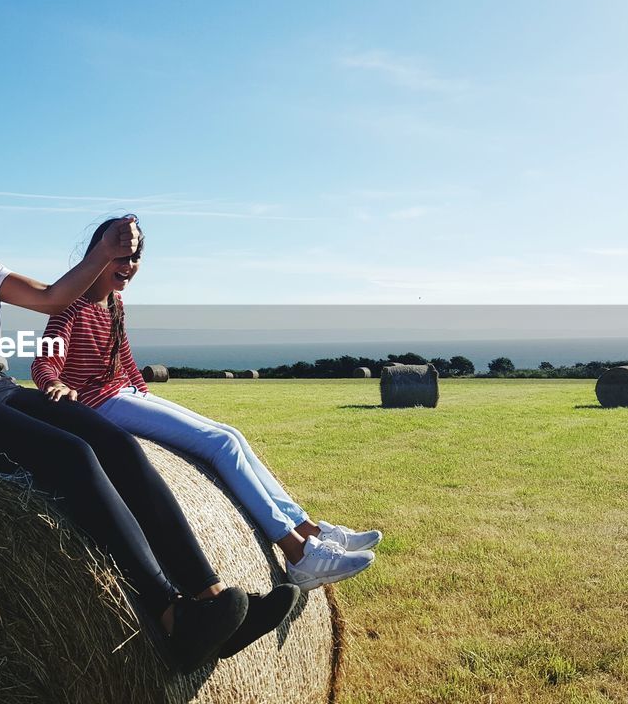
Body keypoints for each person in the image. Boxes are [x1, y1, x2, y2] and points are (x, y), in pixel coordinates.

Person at [0, 141, 298, 672]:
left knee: (115, 443)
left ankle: (209, 597)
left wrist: (105, 255)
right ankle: (170, 616)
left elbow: (51, 297)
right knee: (70, 456)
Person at [31, 217, 383, 592]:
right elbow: (45, 359)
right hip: (100, 403)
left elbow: (126, 358)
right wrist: (53, 382)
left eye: (134, 258)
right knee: (222, 445)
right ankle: (298, 554)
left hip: (125, 395)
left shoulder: (115, 303)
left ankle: (309, 529)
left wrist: (143, 391)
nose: (128, 266)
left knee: (233, 434)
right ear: (98, 256)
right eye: (120, 257)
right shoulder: (72, 306)